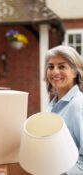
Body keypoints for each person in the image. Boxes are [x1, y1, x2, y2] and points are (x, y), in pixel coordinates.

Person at [44, 45, 83, 175]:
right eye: (51, 67)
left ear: (75, 72)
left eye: (61, 66)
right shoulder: (52, 105)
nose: (55, 72)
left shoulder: (78, 105)